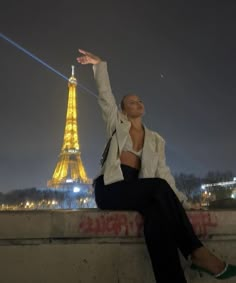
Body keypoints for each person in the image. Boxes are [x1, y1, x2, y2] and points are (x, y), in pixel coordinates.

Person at [76, 49, 236, 283]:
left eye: (140, 100)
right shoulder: (116, 125)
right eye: (132, 102)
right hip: (111, 188)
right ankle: (198, 253)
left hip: (141, 189)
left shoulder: (155, 140)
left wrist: (182, 201)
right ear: (123, 110)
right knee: (157, 189)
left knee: (157, 220)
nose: (138, 103)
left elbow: (164, 174)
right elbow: (105, 95)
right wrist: (99, 65)